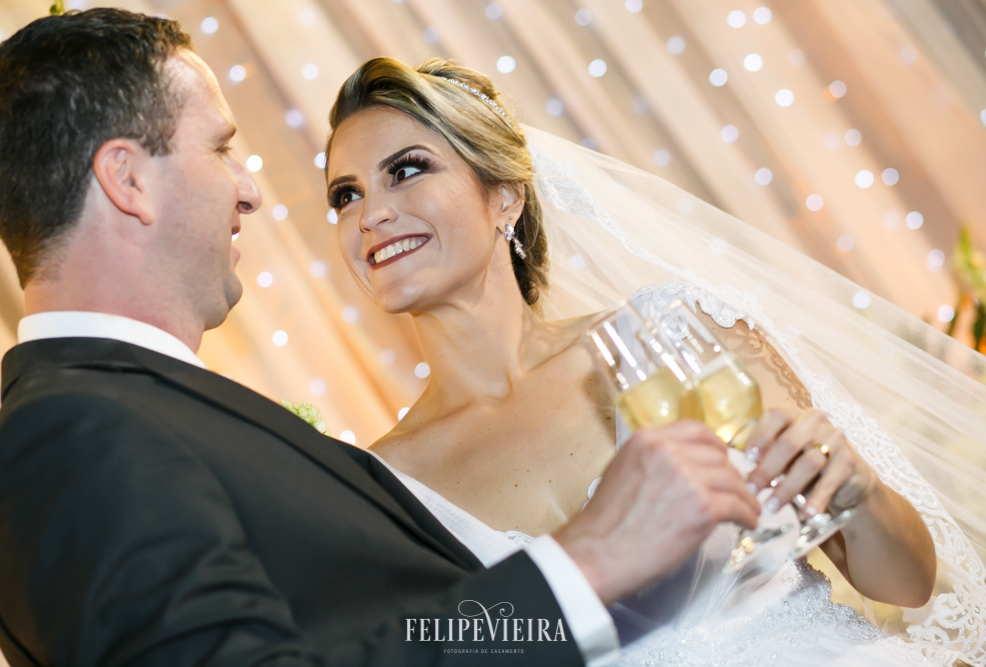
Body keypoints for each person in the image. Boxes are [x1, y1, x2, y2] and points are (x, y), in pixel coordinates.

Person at [0, 10, 769, 667]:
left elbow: (401, 629)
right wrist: (587, 561)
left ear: (505, 195)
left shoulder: (155, 411)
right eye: (221, 148)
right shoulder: (69, 434)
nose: (251, 191)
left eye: (407, 171)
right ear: (127, 179)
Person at [324, 56, 986, 666]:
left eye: (405, 171)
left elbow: (906, 584)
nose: (370, 214)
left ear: (505, 195)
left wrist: (859, 495)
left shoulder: (678, 335)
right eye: (345, 195)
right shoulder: (381, 490)